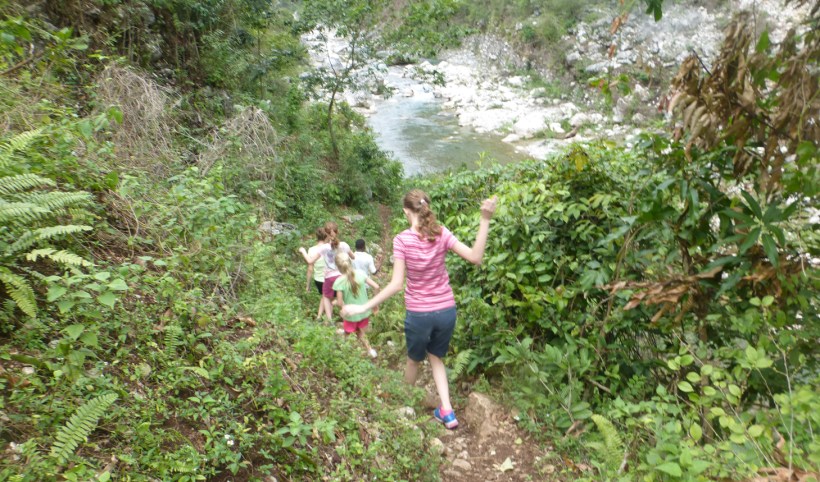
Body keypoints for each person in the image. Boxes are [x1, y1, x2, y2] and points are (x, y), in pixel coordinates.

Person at [341, 189, 497, 429]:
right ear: (426, 207)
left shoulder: (402, 240)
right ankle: (447, 411)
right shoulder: (442, 233)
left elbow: (395, 285)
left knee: (414, 361)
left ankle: (404, 405)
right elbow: (476, 257)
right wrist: (485, 219)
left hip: (419, 314)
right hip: (446, 311)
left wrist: (363, 306)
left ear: (406, 211)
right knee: (436, 358)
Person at [299, 221, 354, 321]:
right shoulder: (344, 245)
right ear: (338, 231)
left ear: (326, 233)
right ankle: (350, 316)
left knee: (326, 297)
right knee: (344, 297)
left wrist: (303, 251)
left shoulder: (324, 248)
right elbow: (353, 257)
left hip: (329, 277)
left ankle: (330, 320)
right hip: (343, 276)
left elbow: (310, 261)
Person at [334, 252, 380, 358]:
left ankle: (343, 353)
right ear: (350, 262)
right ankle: (370, 351)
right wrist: (375, 305)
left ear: (338, 267)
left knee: (353, 332)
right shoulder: (360, 273)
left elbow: (340, 303)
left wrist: (336, 302)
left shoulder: (339, 281)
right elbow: (376, 287)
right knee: (360, 331)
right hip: (364, 311)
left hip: (351, 314)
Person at [305, 227, 331, 321]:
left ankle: (320, 317)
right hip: (328, 278)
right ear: (326, 236)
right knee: (328, 297)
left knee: (325, 296)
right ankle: (327, 319)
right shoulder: (329, 248)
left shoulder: (311, 250)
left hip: (318, 280)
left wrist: (307, 285)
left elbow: (310, 268)